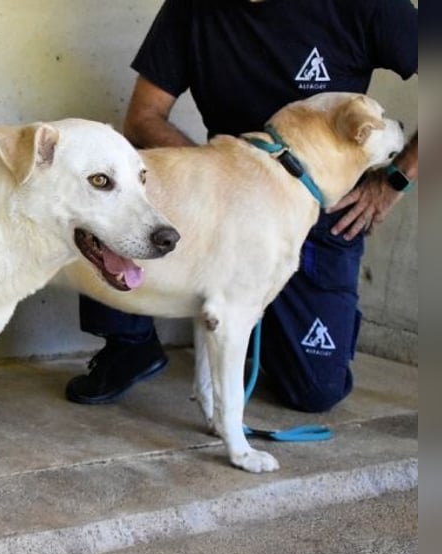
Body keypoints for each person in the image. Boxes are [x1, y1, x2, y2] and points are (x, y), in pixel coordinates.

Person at [66, 0, 418, 412]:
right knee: (108, 176)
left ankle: (254, 335)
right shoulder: (191, 9)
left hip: (320, 214)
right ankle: (131, 343)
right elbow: (144, 117)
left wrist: (396, 178)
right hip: (226, 201)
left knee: (315, 390)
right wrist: (216, 176)